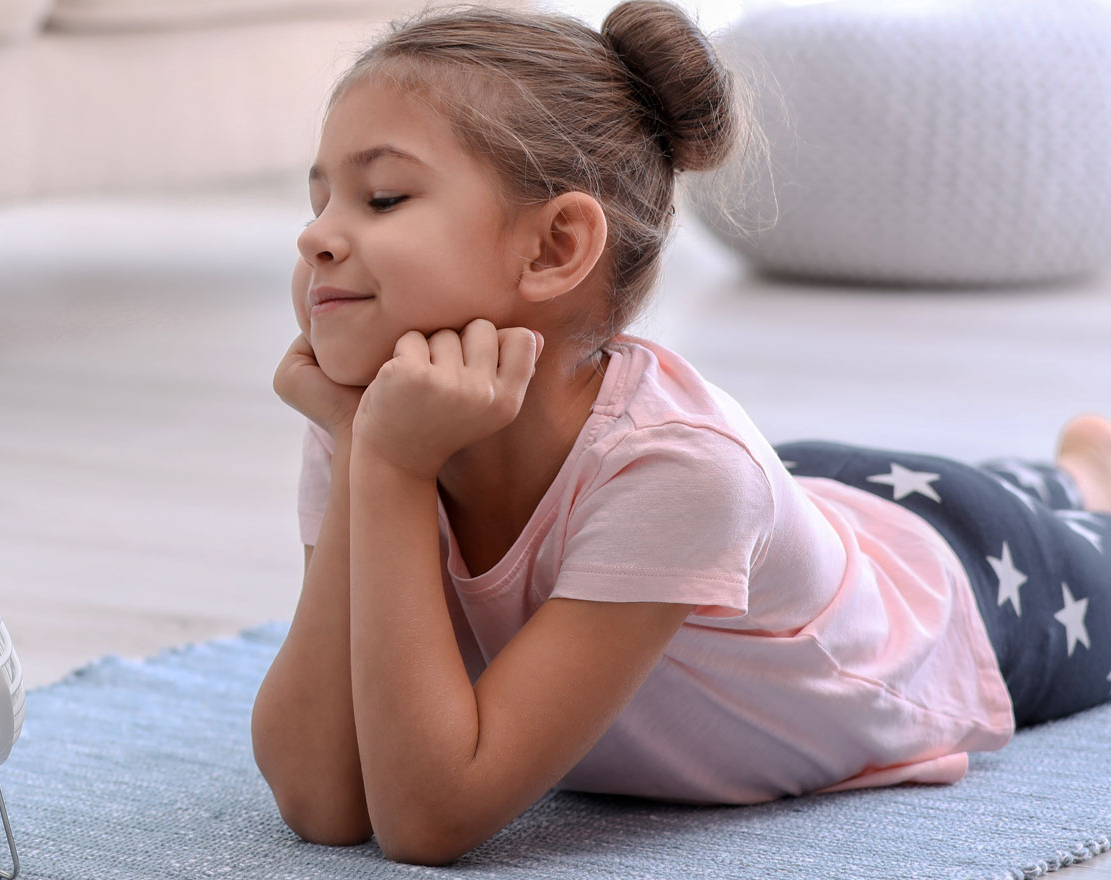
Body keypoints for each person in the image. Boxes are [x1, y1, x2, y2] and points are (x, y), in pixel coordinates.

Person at [246, 0, 1111, 866]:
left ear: (554, 248)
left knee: (1055, 523)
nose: (315, 235)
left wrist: (390, 468)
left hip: (966, 584)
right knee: (795, 495)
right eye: (319, 199)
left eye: (382, 197)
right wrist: (371, 452)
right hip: (790, 505)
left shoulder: (678, 472)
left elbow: (430, 818)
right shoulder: (380, 417)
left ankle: (1084, 479)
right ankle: (1074, 468)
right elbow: (323, 800)